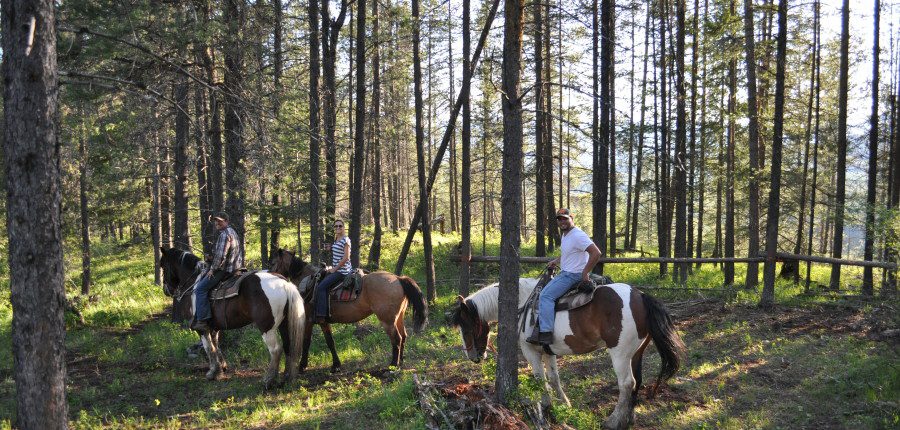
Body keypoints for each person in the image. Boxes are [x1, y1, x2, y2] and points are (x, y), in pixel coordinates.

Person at [526, 208, 602, 346]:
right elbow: (570, 253)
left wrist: (585, 273)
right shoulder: (566, 235)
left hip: (572, 275)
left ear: (571, 218)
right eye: (559, 219)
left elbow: (596, 253)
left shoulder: (578, 235)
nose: (562, 221)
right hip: (567, 272)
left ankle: (545, 333)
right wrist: (556, 261)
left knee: (545, 296)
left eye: (565, 218)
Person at [191, 212, 243, 332]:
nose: (217, 223)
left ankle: (202, 320)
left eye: (220, 221)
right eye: (215, 221)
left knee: (200, 289)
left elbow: (221, 256)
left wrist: (212, 269)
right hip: (235, 267)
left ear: (226, 221)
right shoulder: (232, 232)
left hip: (225, 270)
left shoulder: (224, 235)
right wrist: (211, 257)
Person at [315, 219, 353, 322]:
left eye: (340, 226)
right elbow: (339, 250)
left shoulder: (346, 239)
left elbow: (346, 257)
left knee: (321, 287)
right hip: (337, 269)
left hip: (342, 271)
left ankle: (321, 315)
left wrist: (334, 269)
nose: (338, 228)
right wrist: (331, 247)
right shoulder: (337, 239)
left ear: (343, 227)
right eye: (336, 226)